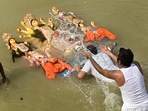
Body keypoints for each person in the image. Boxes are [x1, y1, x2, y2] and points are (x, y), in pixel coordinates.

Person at [82, 45, 148, 111]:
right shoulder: (137, 65)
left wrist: (90, 57)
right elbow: (123, 62)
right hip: (146, 103)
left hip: (130, 108)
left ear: (119, 61)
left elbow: (101, 71)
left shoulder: (118, 74)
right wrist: (108, 52)